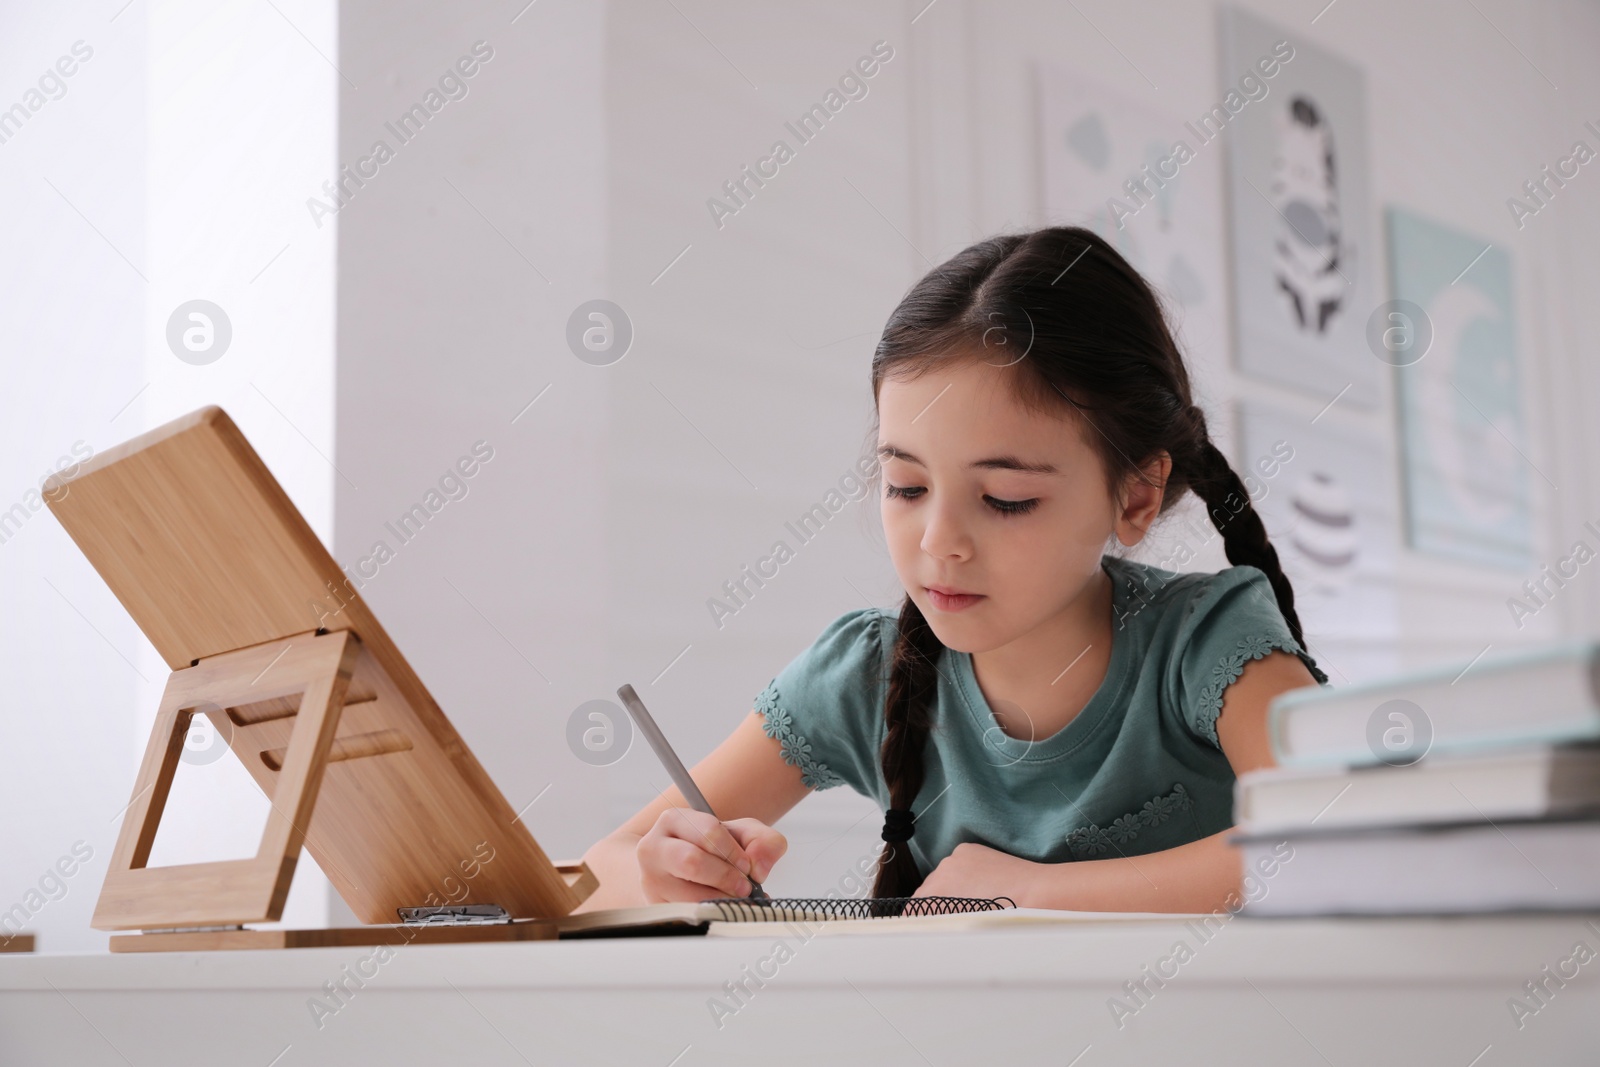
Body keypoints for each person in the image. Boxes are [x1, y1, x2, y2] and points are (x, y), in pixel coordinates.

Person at [578, 226, 1329, 913]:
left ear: (1134, 495)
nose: (939, 542)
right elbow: (597, 870)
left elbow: (1333, 839)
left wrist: (1030, 893)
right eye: (905, 486)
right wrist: (664, 872)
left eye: (1004, 499)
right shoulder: (864, 677)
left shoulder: (1208, 643)